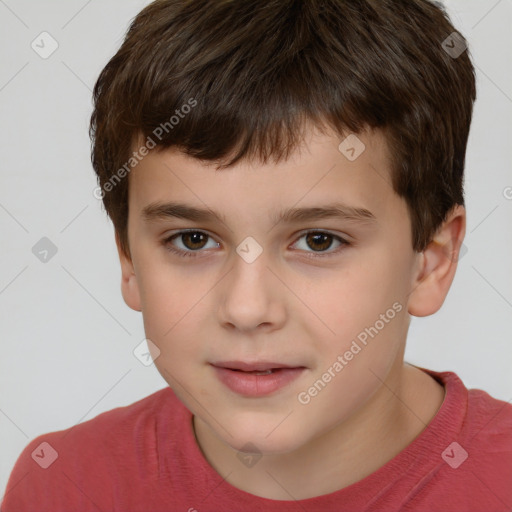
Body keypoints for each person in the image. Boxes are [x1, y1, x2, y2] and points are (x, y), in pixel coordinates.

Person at [2, 0, 511, 510]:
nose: (246, 309)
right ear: (129, 259)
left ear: (432, 261)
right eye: (192, 240)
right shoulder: (62, 487)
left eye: (319, 241)